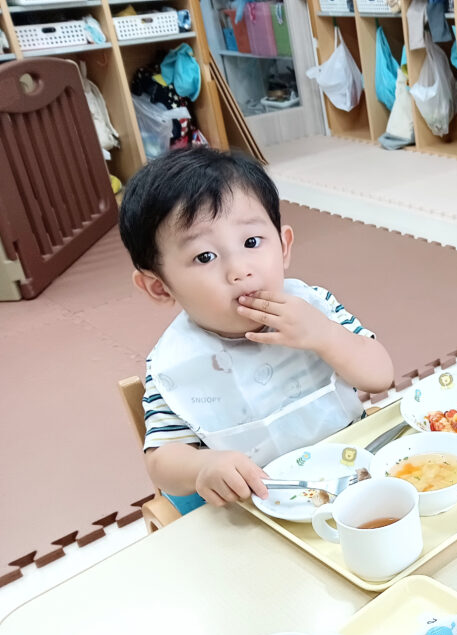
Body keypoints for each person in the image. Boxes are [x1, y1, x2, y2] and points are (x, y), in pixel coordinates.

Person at [121, 147, 394, 512]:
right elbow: (161, 460)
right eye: (205, 257)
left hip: (351, 478)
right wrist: (203, 466)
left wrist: (327, 336)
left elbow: (380, 376)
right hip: (255, 505)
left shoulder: (312, 308)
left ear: (283, 246)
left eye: (251, 243)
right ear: (160, 286)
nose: (239, 270)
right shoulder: (176, 362)